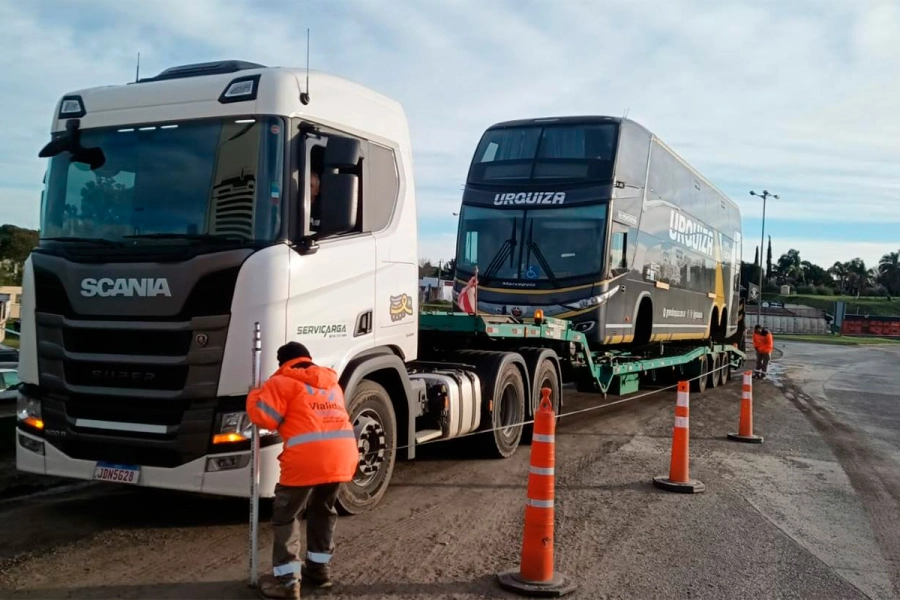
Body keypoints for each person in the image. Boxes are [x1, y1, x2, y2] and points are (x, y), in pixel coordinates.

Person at [246, 342, 359, 600]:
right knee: (323, 510)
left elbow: (264, 418)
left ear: (283, 363)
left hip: (305, 460)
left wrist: (254, 395)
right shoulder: (331, 383)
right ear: (307, 358)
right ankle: (319, 571)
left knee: (287, 516)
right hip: (341, 457)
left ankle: (288, 583)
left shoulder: (281, 382)